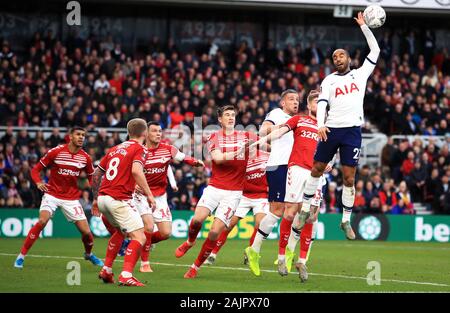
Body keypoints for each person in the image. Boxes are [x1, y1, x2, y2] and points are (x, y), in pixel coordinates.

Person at [296, 12, 380, 239]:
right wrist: (320, 125)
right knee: (316, 169)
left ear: (349, 58)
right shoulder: (329, 80)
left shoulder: (361, 75)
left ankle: (345, 220)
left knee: (349, 178)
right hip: (331, 129)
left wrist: (364, 27)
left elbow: (376, 51)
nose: (338, 58)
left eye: (341, 55)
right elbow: (322, 103)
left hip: (352, 131)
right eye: (334, 57)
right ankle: (304, 210)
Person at [245, 90, 331, 277]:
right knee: (278, 211)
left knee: (305, 213)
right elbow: (264, 130)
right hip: (281, 166)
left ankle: (291, 255)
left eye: (297, 100)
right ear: (283, 102)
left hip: (307, 169)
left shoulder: (317, 124)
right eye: (291, 99)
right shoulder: (280, 115)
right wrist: (272, 134)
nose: (295, 102)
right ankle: (257, 249)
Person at [174, 104, 254, 279]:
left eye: (233, 114)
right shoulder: (213, 137)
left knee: (214, 232)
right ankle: (190, 242)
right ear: (220, 119)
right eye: (227, 115)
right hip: (215, 188)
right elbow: (217, 158)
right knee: (197, 220)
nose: (231, 117)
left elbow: (266, 141)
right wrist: (239, 150)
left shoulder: (246, 135)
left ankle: (195, 267)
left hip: (234, 193)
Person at [14, 126, 103, 268]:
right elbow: (36, 169)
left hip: (72, 199)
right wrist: (38, 182)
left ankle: (88, 254)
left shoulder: (85, 157)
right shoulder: (56, 152)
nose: (81, 137)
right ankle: (21, 256)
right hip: (52, 195)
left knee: (87, 233)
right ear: (70, 136)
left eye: (83, 135)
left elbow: (92, 178)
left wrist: (96, 197)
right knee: (42, 221)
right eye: (78, 134)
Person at [133, 121, 204, 273]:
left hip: (160, 196)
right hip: (141, 195)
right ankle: (144, 263)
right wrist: (133, 185)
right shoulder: (138, 151)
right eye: (154, 131)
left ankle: (143, 242)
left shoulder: (167, 149)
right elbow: (128, 171)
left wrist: (195, 162)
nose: (158, 134)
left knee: (166, 233)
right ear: (146, 134)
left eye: (160, 131)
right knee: (149, 226)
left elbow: (183, 157)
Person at [93, 118, 156, 287]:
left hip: (103, 198)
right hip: (119, 199)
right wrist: (149, 194)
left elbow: (96, 174)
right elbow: (136, 170)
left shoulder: (114, 149)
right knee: (139, 236)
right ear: (145, 133)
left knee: (120, 233)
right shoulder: (140, 148)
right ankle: (126, 275)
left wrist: (94, 199)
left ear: (128, 132)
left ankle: (106, 269)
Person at [203, 148, 270, 266]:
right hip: (242, 195)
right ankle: (212, 253)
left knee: (261, 225)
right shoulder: (238, 158)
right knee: (228, 225)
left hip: (261, 195)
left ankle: (251, 252)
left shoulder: (267, 155)